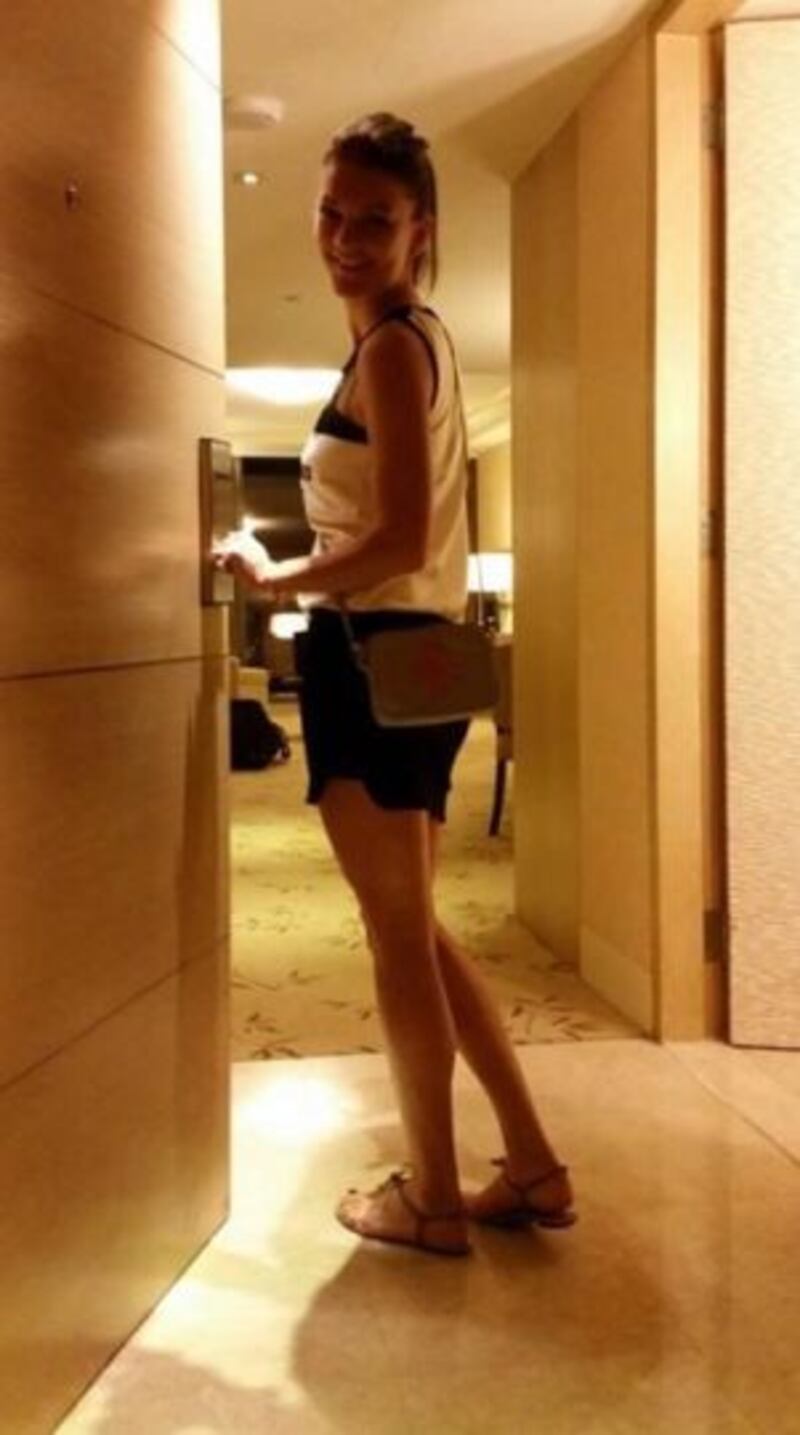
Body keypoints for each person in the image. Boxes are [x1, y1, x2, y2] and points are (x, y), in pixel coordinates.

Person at [215, 113, 576, 1257]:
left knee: (393, 935)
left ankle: (428, 1196)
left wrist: (275, 574)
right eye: (331, 212)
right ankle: (530, 1161)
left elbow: (398, 536)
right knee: (415, 927)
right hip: (413, 656)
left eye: (374, 218)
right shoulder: (412, 339)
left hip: (369, 655)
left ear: (420, 227)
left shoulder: (389, 346)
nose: (345, 237)